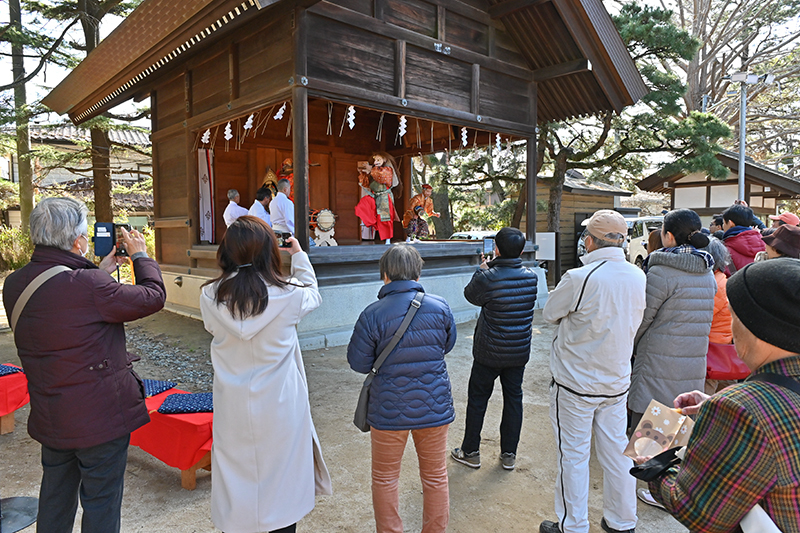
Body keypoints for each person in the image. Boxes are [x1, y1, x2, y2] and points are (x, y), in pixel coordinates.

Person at [3, 197, 166, 533]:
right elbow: (153, 296)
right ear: (78, 241)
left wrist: (98, 270)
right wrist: (140, 255)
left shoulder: (15, 283)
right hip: (100, 419)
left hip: (52, 414)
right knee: (101, 503)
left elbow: (62, 303)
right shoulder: (89, 286)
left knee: (55, 497)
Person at [641, 258, 800, 533]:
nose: (731, 329)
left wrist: (655, 455)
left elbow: (700, 513)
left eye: (735, 317)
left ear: (759, 327)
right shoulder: (746, 404)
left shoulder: (742, 409)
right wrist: (716, 408)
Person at [200, 216, 331, 533]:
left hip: (233, 406)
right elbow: (313, 290)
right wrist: (298, 255)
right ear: (269, 251)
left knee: (236, 482)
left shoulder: (209, 297)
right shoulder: (290, 295)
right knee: (282, 489)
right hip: (281, 407)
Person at [538, 210, 646, 533]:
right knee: (617, 453)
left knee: (572, 456)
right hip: (616, 383)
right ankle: (623, 520)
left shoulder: (580, 277)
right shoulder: (638, 276)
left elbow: (549, 314)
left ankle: (573, 525)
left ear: (590, 241)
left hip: (575, 384)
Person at [347, 244, 456, 533]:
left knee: (385, 478)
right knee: (435, 476)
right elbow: (447, 345)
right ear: (418, 273)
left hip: (389, 408)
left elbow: (358, 363)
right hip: (434, 405)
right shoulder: (441, 306)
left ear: (385, 275)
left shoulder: (372, 313)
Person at [451, 227, 538, 471]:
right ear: (521, 250)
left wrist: (481, 271)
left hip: (488, 350)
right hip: (518, 351)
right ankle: (509, 454)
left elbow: (471, 296)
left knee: (478, 399)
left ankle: (470, 451)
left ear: (496, 249)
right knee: (514, 399)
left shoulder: (488, 277)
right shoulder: (531, 277)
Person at [629, 208, 716, 430]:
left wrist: (632, 345)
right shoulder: (707, 271)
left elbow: (642, 318)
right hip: (694, 361)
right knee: (679, 428)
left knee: (648, 442)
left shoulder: (661, 271)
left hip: (657, 361)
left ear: (668, 236)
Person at [703, 237, 735, 394]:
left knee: (706, 393)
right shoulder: (722, 279)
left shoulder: (715, 284)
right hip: (721, 343)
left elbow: (702, 316)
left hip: (712, 349)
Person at [355, 152, 400, 244]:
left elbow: (382, 176)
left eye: (378, 160)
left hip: (384, 198)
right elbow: (367, 182)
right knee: (364, 204)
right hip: (375, 195)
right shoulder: (375, 170)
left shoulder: (387, 170)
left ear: (385, 160)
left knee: (384, 218)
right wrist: (363, 173)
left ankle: (388, 238)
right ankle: (368, 222)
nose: (376, 162)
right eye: (375, 160)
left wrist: (370, 169)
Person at [721, 203, 765, 272]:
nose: (723, 226)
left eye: (723, 223)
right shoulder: (766, 244)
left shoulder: (724, 249)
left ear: (730, 223)